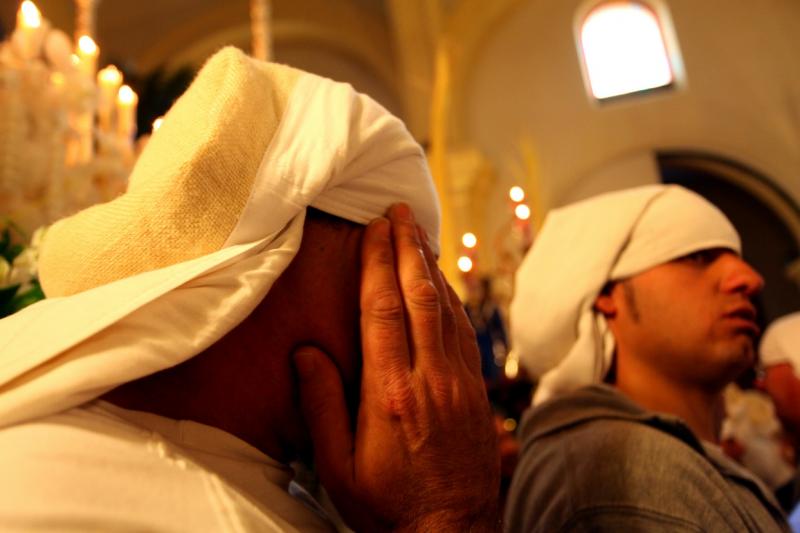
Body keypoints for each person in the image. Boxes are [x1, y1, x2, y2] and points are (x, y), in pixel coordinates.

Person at [0, 46, 499, 531]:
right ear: (283, 248)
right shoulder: (77, 500)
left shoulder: (243, 473)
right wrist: (449, 513)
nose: (431, 318)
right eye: (409, 263)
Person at [503, 185, 789, 531]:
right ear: (607, 294)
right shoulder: (616, 476)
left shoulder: (665, 460)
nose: (750, 279)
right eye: (697, 256)